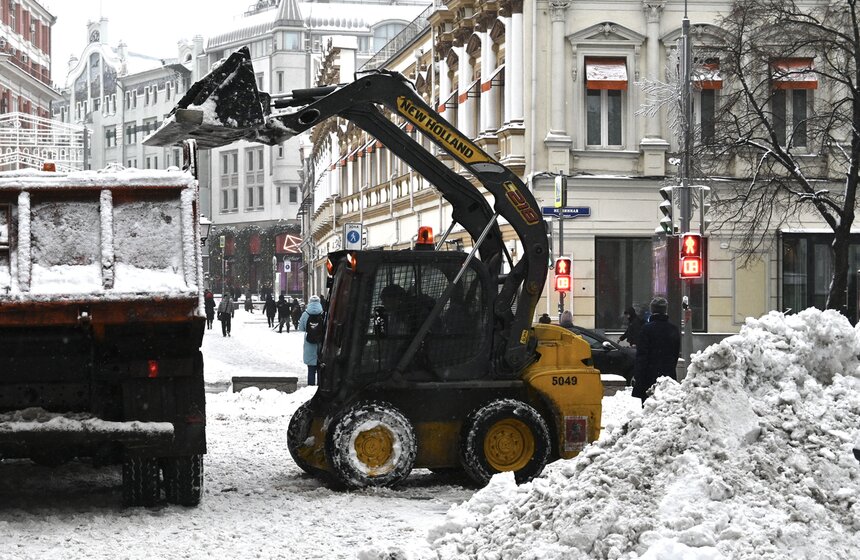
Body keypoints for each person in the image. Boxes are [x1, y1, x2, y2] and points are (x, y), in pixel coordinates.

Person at [631, 297, 681, 405]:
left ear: (652, 310)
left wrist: (638, 375)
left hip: (648, 375)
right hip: (668, 376)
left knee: (649, 406)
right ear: (665, 310)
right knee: (665, 407)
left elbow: (642, 356)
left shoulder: (646, 329)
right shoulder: (673, 329)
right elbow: (675, 354)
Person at [299, 295, 325, 386]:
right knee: (320, 367)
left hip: (309, 342)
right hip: (320, 343)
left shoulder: (305, 314)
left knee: (311, 369)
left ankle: (310, 387)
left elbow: (301, 328)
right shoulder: (323, 313)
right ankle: (320, 387)